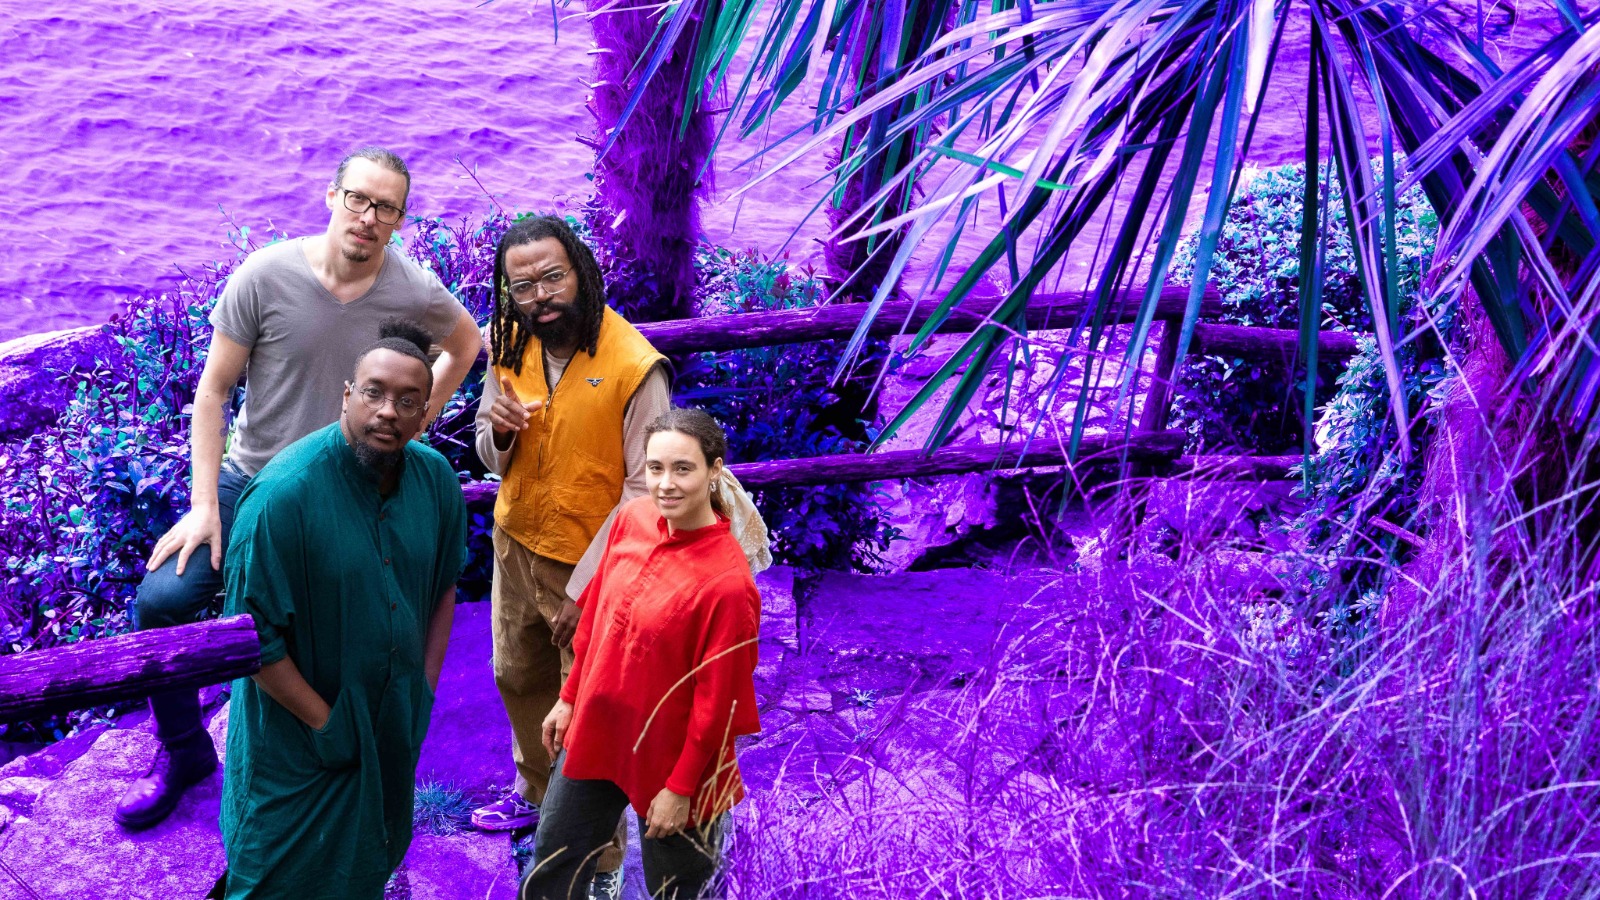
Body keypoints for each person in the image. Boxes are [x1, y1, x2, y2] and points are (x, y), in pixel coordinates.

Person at [115, 146, 482, 830]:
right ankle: (185, 749)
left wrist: (417, 419)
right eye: (358, 199)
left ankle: (337, 752)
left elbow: (465, 344)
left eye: (386, 208)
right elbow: (213, 393)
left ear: (400, 219)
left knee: (335, 620)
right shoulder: (265, 275)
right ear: (332, 196)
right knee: (161, 603)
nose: (368, 217)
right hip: (251, 480)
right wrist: (204, 506)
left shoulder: (411, 288)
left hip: (347, 491)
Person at [217, 323, 468, 898]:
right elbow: (253, 640)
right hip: (295, 746)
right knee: (273, 876)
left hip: (391, 723)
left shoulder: (435, 481)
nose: (388, 412)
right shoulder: (282, 498)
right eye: (374, 393)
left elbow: (442, 587)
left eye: (408, 401)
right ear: (347, 395)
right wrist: (325, 724)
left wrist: (422, 690)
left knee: (371, 855)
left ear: (424, 413)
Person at [471, 215, 671, 895]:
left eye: (553, 277)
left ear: (581, 271)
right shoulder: (509, 337)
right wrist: (499, 433)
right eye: (523, 285)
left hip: (594, 568)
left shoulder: (634, 366)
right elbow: (487, 448)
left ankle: (599, 863)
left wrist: (590, 588)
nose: (541, 297)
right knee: (516, 675)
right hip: (516, 545)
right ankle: (535, 797)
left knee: (589, 717)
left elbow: (647, 492)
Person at [521, 407, 761, 900]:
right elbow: (596, 623)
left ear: (715, 470)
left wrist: (682, 789)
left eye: (683, 468)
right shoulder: (631, 519)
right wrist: (569, 698)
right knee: (551, 871)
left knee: (681, 892)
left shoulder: (729, 584)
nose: (665, 484)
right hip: (598, 727)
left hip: (678, 758)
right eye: (655, 468)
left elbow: (719, 704)